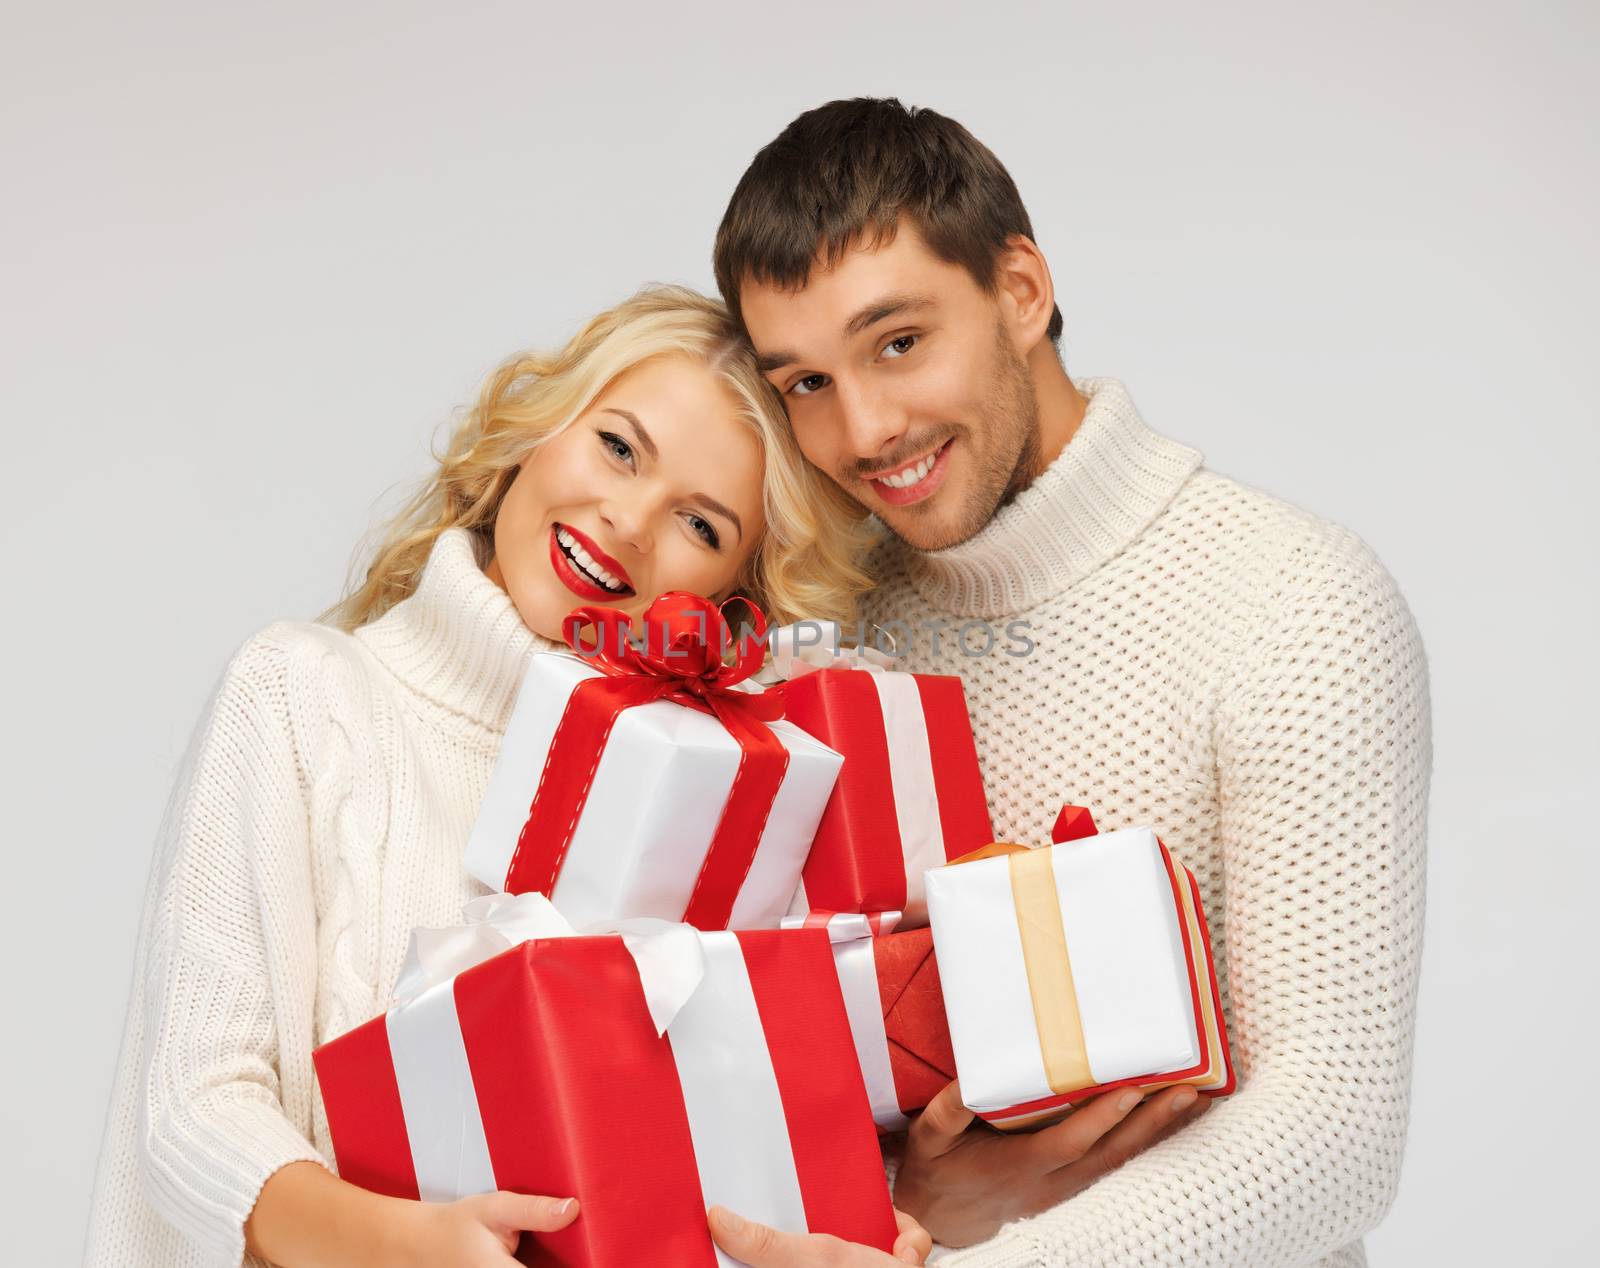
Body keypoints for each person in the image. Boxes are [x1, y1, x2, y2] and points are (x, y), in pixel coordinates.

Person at [712, 98, 1431, 1267]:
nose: (865, 427)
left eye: (898, 341)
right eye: (805, 383)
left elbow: (1334, 1132)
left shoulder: (1291, 600)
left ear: (1021, 290)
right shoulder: (828, 629)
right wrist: (924, 1201)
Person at [82, 285, 932, 1267]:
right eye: (618, 447)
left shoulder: (717, 819)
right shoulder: (303, 693)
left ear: (730, 601)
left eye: (699, 524)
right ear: (536, 430)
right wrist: (411, 1245)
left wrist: (864, 1217)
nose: (625, 519)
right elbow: (193, 1110)